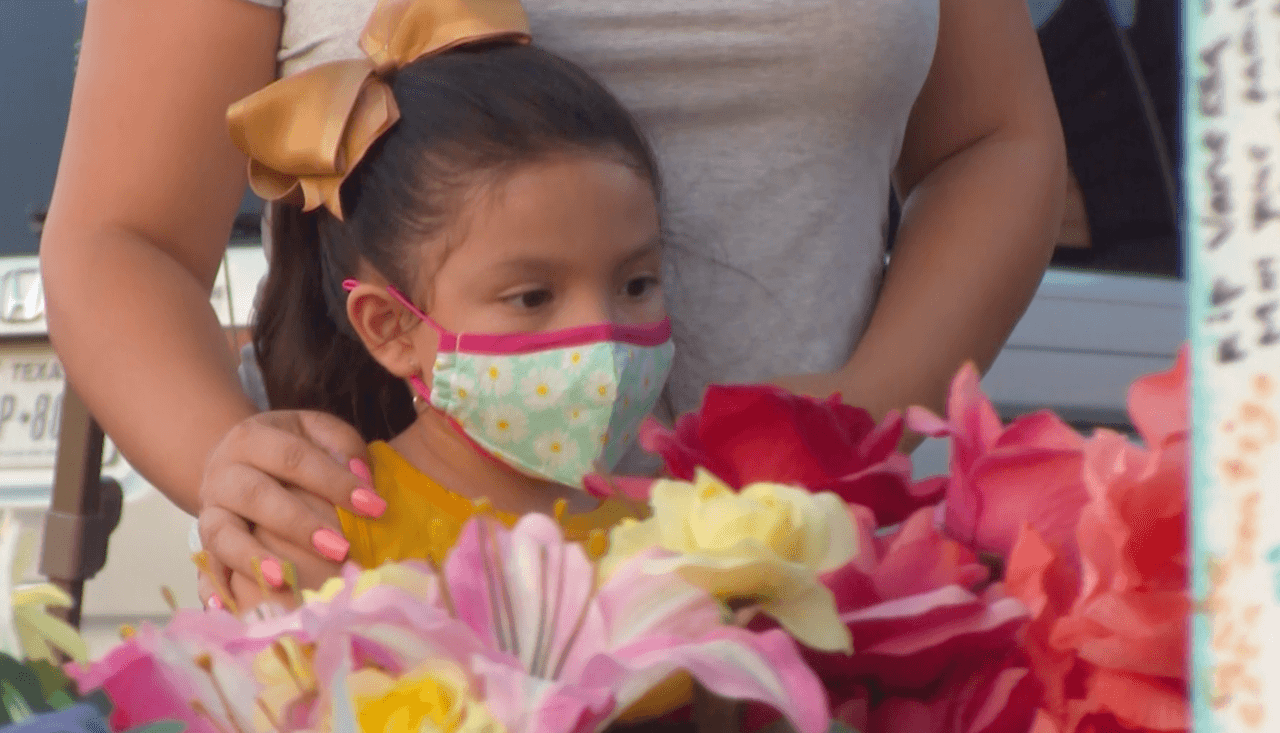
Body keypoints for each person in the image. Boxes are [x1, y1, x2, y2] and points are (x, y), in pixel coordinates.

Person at [39, 0, 1065, 605]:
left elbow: (995, 141)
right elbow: (121, 237)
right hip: (402, 629)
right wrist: (234, 463)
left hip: (802, 608)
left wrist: (859, 417)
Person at [205, 0, 666, 606]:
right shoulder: (323, 536)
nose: (602, 336)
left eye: (636, 285)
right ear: (391, 327)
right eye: (531, 296)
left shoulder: (678, 533)